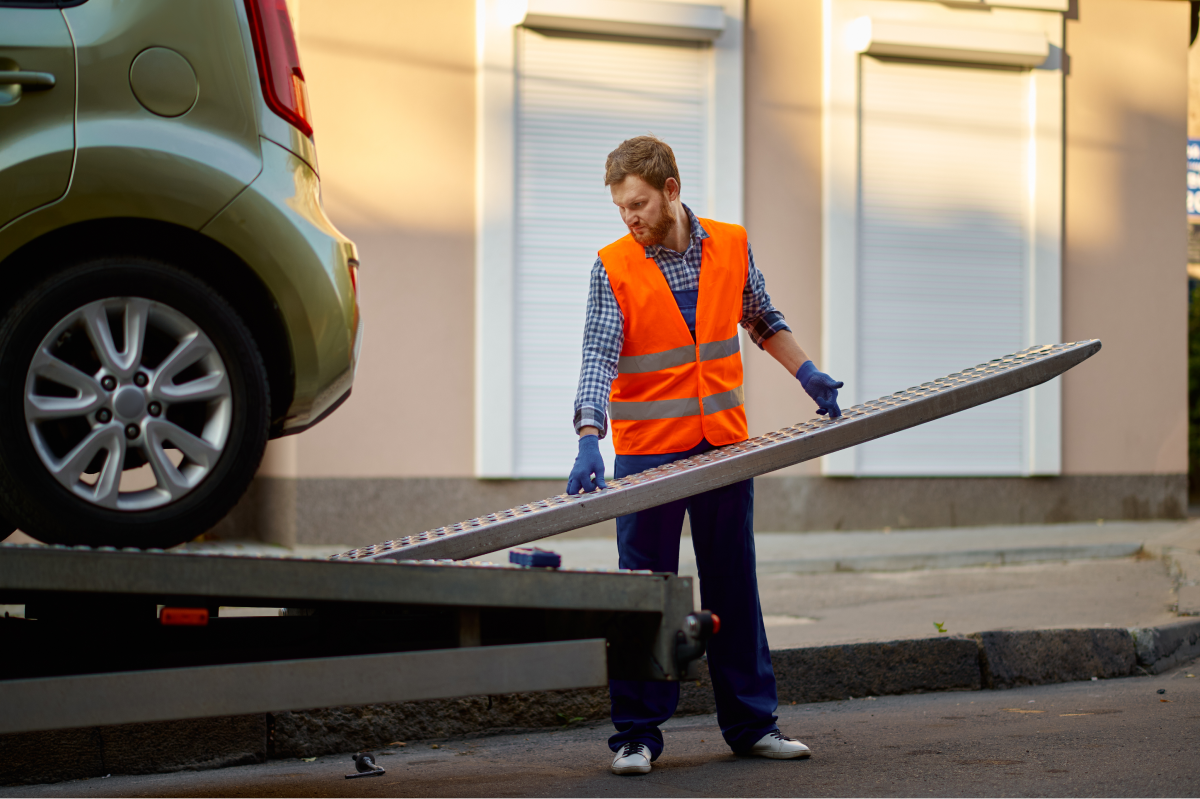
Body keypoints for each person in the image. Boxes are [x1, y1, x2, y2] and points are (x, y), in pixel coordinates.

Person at [566, 136, 844, 776]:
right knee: (645, 597)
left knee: (734, 586)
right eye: (620, 207)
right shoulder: (613, 266)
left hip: (722, 447)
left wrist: (807, 373)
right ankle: (636, 736)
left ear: (671, 190)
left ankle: (753, 726)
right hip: (648, 456)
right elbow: (598, 356)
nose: (629, 218)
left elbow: (761, 317)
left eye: (638, 204)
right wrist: (588, 436)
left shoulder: (731, 244)